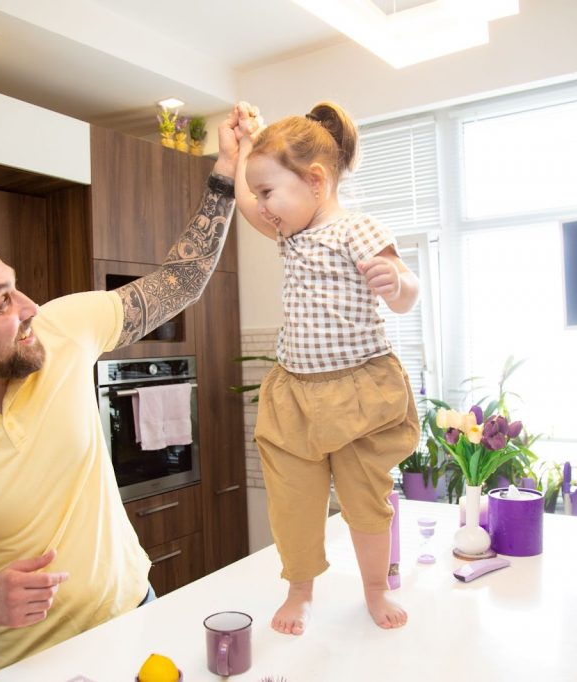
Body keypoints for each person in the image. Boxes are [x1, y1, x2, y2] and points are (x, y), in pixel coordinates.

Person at [0, 105, 246, 675]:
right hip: (34, 667)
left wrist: (225, 169)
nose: (31, 308)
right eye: (2, 301)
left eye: (16, 287)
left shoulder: (61, 330)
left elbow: (180, 281)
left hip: (140, 619)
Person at [233, 101, 421, 635]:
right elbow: (246, 203)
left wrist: (396, 282)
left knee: (366, 499)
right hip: (296, 392)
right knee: (294, 501)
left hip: (360, 390)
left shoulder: (354, 230)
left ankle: (374, 589)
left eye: (271, 192)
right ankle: (300, 591)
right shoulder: (289, 233)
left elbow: (409, 291)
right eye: (262, 191)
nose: (263, 205)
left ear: (315, 180)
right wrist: (247, 143)